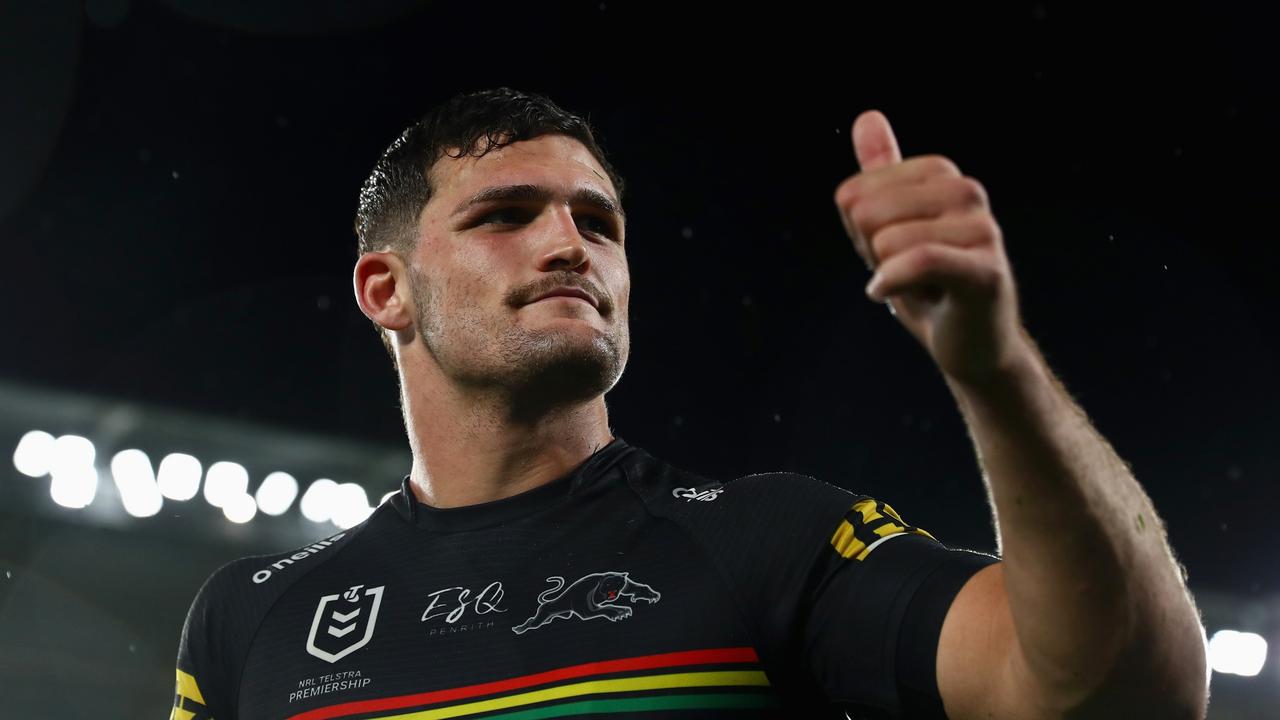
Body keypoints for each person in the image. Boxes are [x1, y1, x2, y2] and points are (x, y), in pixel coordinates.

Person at [170, 88, 1209, 720]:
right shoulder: (254, 619)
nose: (570, 243)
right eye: (504, 215)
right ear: (385, 290)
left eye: (598, 221)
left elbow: (1118, 698)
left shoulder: (769, 543)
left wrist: (995, 371)